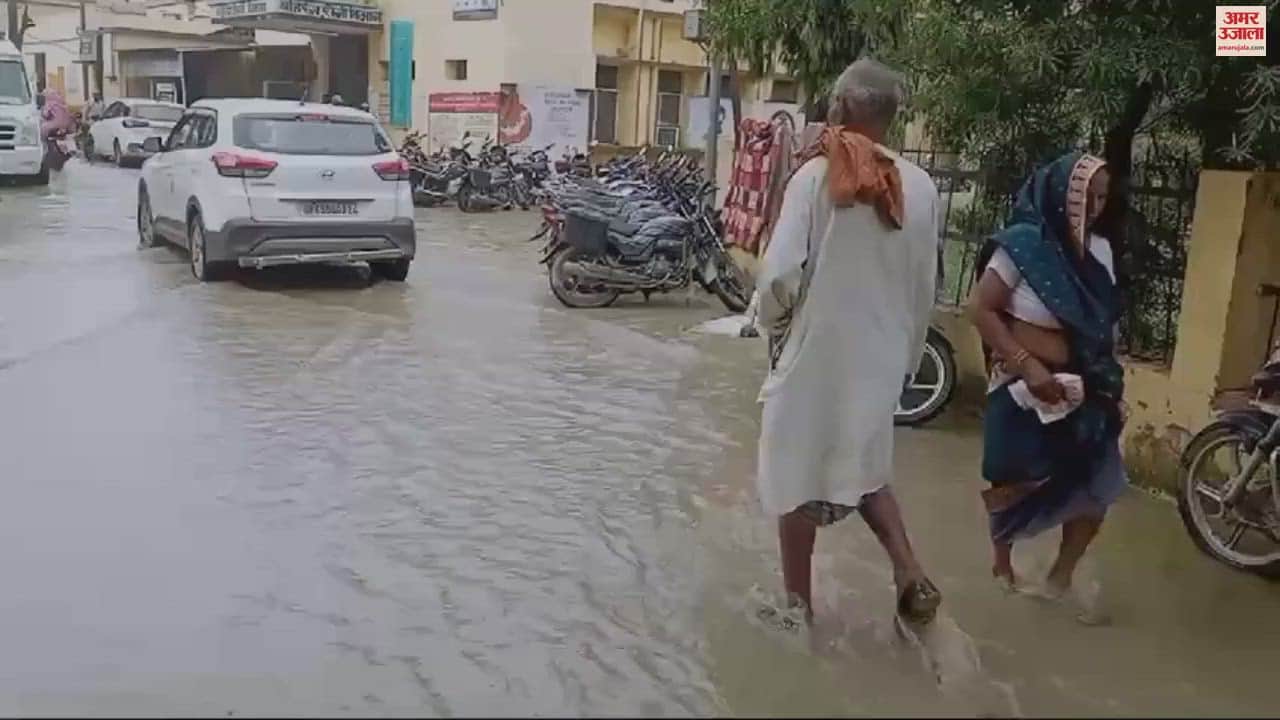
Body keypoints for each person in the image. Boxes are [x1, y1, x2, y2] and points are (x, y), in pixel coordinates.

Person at [755, 58, 943, 627]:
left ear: (841, 106)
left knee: (795, 473)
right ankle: (910, 573)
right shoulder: (922, 187)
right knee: (863, 465)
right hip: (883, 357)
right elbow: (924, 287)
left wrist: (775, 331)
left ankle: (797, 609)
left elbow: (779, 276)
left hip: (817, 353)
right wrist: (907, 360)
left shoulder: (814, 177)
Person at [965, 152, 1126, 623]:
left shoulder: (1100, 252)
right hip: (1022, 387)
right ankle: (1002, 565)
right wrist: (1028, 366)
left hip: (1085, 387)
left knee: (1098, 481)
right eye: (1085, 197)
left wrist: (1108, 384)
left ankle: (1060, 577)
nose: (1093, 208)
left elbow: (1103, 323)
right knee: (1013, 480)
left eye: (1102, 198)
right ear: (1060, 195)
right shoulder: (1022, 246)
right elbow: (980, 309)